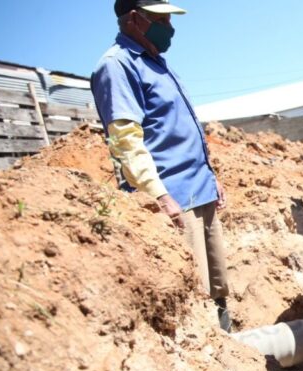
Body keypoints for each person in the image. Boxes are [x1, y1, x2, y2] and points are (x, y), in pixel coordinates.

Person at [91, 0, 232, 332]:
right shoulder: (117, 65)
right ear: (136, 20)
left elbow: (177, 128)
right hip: (173, 199)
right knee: (193, 295)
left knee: (217, 284)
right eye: (162, 19)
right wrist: (158, 196)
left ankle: (230, 351)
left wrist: (210, 176)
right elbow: (126, 141)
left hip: (200, 190)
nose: (170, 26)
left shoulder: (156, 63)